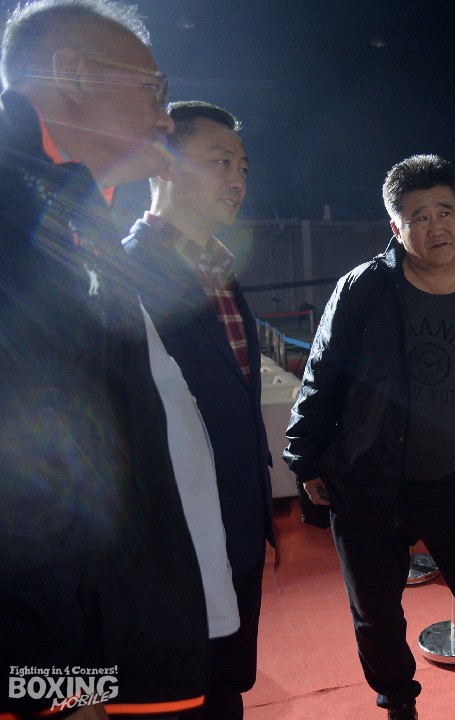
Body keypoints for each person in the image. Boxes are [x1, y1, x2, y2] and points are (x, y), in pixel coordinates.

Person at [0, 1, 208, 717]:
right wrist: (59, 685)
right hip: (55, 662)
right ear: (75, 75)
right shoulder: (14, 212)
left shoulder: (59, 209)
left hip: (100, 636)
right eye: (153, 91)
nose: (165, 119)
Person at [284, 154, 455, 720]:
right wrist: (306, 460)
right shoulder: (364, 290)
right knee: (375, 614)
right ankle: (399, 704)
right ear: (396, 227)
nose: (435, 226)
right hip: (368, 478)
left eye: (445, 211)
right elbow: (321, 374)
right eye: (418, 216)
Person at [123, 101, 274, 719]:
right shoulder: (125, 273)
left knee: (226, 687)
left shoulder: (220, 270)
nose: (237, 180)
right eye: (220, 162)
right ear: (163, 164)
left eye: (243, 167)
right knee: (178, 696)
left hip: (238, 522)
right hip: (176, 539)